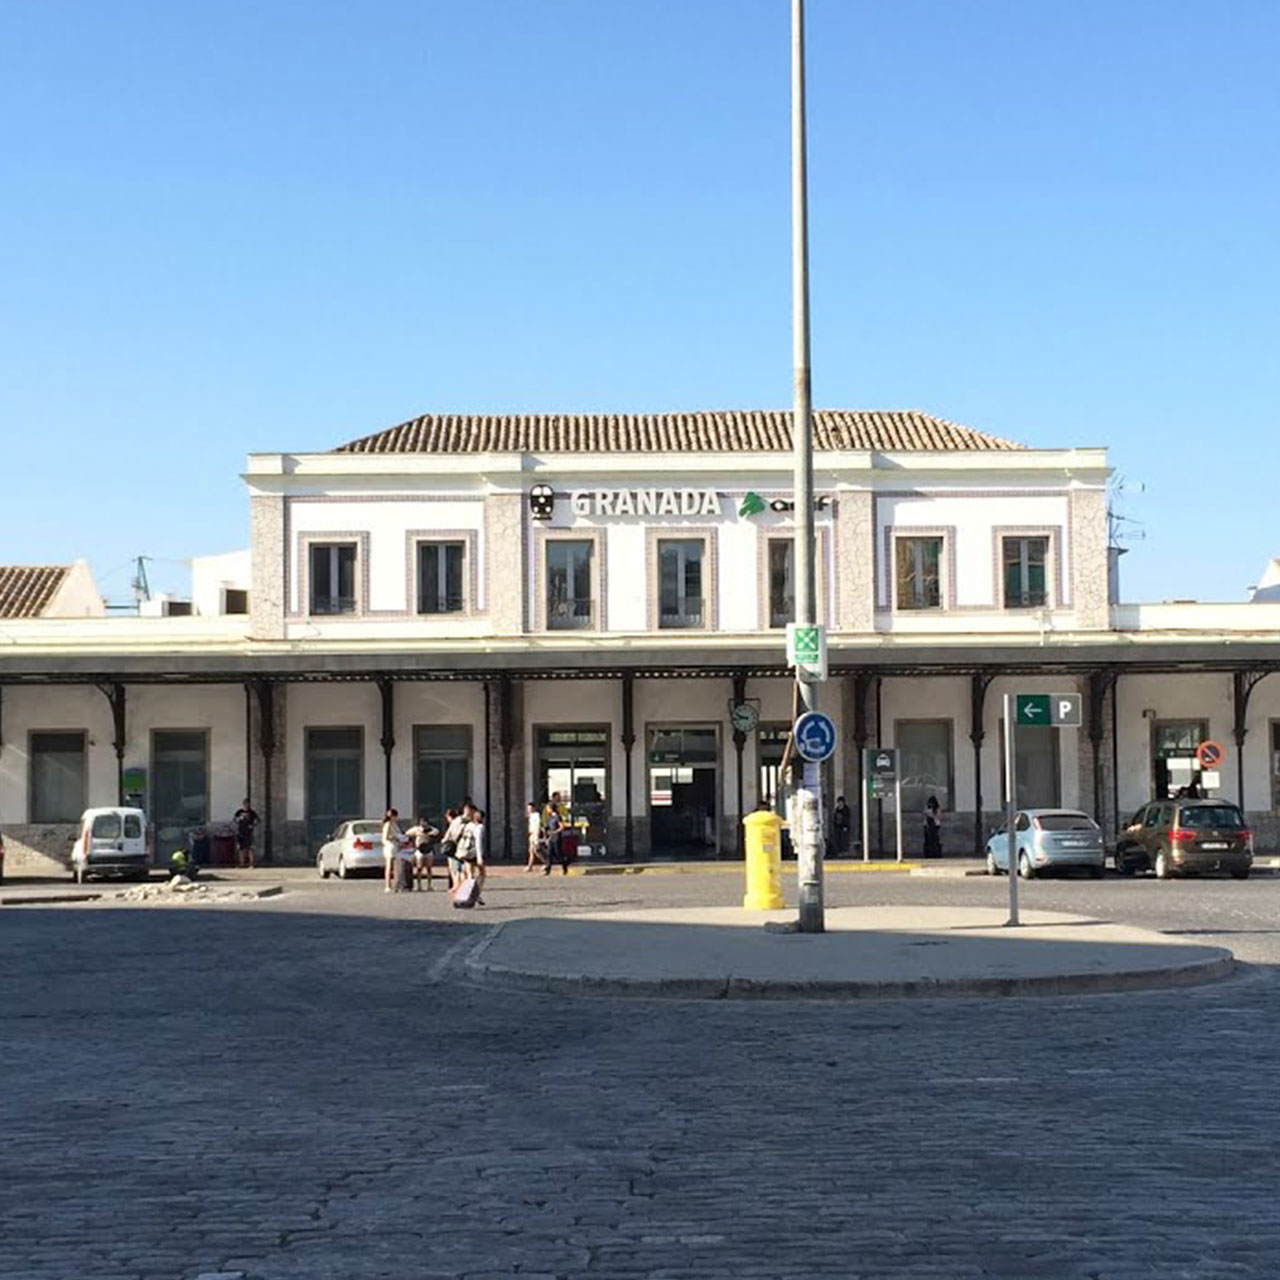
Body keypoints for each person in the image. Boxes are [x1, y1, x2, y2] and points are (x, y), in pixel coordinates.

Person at [406, 815, 438, 891]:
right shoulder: (417, 829)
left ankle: (429, 885)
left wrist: (429, 834)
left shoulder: (432, 829)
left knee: (429, 868)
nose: (423, 824)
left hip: (429, 850)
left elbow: (436, 832)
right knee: (419, 868)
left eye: (425, 822)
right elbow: (407, 833)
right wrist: (417, 834)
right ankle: (419, 885)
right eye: (422, 822)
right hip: (419, 850)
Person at [440, 807, 465, 890]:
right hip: (462, 848)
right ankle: (462, 885)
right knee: (462, 868)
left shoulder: (454, 823)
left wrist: (443, 841)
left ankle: (456, 885)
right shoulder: (463, 822)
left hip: (452, 848)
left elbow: (447, 837)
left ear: (449, 816)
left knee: (454, 869)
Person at [233, 799, 260, 869]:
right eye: (245, 803)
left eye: (248, 803)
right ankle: (242, 863)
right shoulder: (239, 812)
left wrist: (252, 825)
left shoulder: (252, 812)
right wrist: (239, 819)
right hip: (241, 832)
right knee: (241, 849)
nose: (246, 805)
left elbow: (257, 820)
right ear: (243, 804)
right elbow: (235, 819)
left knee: (250, 848)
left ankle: (251, 864)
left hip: (249, 833)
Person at [381, 808, 403, 893]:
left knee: (395, 867)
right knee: (389, 866)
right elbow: (385, 837)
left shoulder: (394, 824)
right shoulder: (388, 824)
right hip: (390, 846)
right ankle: (387, 885)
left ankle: (396, 885)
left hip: (395, 845)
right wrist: (395, 838)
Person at [525, 801, 544, 871]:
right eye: (528, 808)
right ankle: (530, 866)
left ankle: (546, 862)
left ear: (534, 808)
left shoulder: (536, 815)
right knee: (531, 851)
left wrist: (536, 835)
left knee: (536, 850)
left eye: (530, 808)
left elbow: (538, 825)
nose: (529, 810)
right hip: (531, 834)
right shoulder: (530, 816)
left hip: (535, 834)